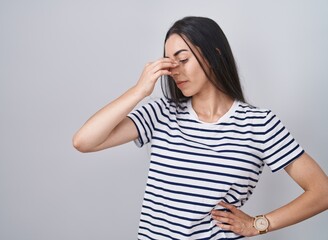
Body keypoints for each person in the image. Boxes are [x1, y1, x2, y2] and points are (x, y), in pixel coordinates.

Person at [73, 16, 328, 239]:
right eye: (169, 62)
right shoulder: (162, 112)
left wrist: (258, 224)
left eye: (183, 59)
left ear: (214, 55)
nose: (175, 70)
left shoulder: (259, 124)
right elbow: (84, 141)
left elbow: (322, 192)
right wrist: (139, 91)